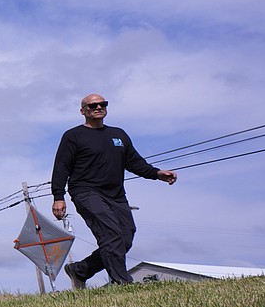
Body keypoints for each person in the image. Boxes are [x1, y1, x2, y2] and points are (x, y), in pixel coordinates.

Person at [51, 93, 177, 287]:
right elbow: (61, 167)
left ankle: (80, 270)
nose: (98, 108)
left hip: (116, 195)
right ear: (83, 111)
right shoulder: (73, 136)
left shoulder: (118, 134)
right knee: (111, 235)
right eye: (93, 106)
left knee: (125, 239)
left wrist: (156, 173)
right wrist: (58, 196)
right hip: (86, 193)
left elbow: (134, 161)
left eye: (102, 104)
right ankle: (122, 283)